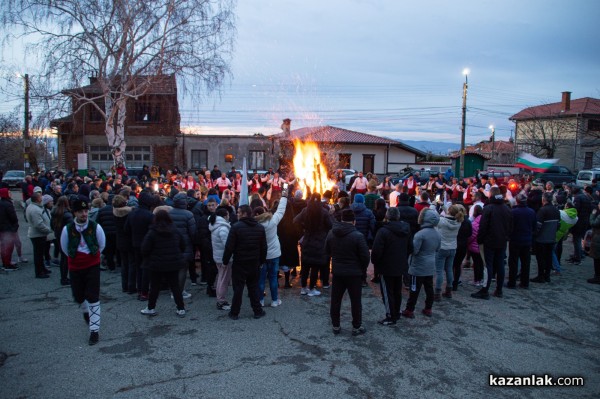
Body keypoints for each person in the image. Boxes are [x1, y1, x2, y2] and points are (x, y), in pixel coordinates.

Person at [60, 198, 106, 345]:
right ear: (75, 213)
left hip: (92, 264)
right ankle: (86, 310)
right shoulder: (67, 229)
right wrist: (76, 257)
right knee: (79, 296)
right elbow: (64, 248)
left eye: (86, 211)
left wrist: (92, 256)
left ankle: (94, 331)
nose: (84, 214)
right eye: (81, 212)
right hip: (75, 266)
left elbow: (101, 244)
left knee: (93, 296)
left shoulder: (95, 227)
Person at [326, 209, 370, 335]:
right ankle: (356, 326)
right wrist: (362, 270)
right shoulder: (358, 236)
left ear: (341, 219)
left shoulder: (331, 233)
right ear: (354, 221)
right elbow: (365, 256)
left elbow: (327, 250)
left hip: (338, 272)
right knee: (356, 301)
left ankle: (335, 326)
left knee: (335, 300)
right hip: (354, 273)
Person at [222, 205, 267, 320]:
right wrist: (261, 261)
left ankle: (234, 313)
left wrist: (225, 261)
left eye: (238, 212)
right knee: (253, 287)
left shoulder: (236, 227)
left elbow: (229, 247)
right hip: (254, 263)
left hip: (240, 263)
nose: (237, 214)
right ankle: (257, 311)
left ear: (244, 213)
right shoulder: (259, 228)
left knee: (238, 289)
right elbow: (264, 248)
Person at [140, 210, 186, 318]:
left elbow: (144, 248)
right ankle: (181, 308)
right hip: (173, 262)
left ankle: (151, 308)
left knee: (155, 287)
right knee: (175, 286)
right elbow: (183, 244)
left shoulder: (152, 232)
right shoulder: (175, 230)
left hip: (156, 263)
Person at [370, 207, 412, 326]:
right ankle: (396, 312)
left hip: (386, 266)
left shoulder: (383, 231)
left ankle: (390, 316)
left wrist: (375, 262)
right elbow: (410, 247)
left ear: (387, 216)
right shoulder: (406, 229)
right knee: (396, 290)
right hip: (400, 265)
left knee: (387, 293)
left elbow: (377, 250)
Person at [471, 187, 513, 299]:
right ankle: (499, 290)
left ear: (490, 195)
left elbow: (483, 226)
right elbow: (510, 226)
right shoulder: (507, 208)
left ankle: (485, 290)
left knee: (488, 265)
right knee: (500, 265)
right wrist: (506, 237)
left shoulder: (489, 208)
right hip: (502, 241)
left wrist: (480, 239)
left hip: (490, 241)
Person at [402, 209, 441, 318]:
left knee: (414, 289)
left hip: (418, 266)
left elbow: (415, 250)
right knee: (429, 288)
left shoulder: (420, 234)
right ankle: (428, 308)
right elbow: (438, 248)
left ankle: (409, 310)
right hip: (430, 264)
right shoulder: (437, 234)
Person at [294, 193, 333, 295]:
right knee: (315, 265)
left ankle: (303, 288)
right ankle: (311, 288)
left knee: (306, 265)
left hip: (307, 240)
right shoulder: (324, 212)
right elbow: (330, 225)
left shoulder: (305, 211)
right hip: (319, 242)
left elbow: (295, 220)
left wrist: (303, 231)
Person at [254, 191, 288, 307]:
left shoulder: (254, 225)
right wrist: (284, 195)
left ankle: (260, 301)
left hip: (261, 256)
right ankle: (274, 300)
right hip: (274, 255)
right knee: (273, 278)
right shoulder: (272, 221)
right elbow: (281, 210)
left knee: (261, 279)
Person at [434, 204, 464, 300]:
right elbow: (451, 213)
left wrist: (434, 205)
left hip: (442, 248)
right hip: (452, 248)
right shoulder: (458, 222)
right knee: (449, 269)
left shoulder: (442, 221)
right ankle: (449, 290)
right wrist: (443, 206)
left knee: (439, 271)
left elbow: (435, 215)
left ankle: (437, 292)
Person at [507, 194, 536, 289]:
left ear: (517, 201)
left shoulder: (513, 212)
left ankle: (512, 282)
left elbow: (510, 226)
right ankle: (525, 282)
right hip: (527, 240)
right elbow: (534, 226)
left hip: (515, 240)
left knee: (513, 262)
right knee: (526, 262)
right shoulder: (531, 212)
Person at [531, 192, 560, 284]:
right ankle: (547, 276)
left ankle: (540, 276)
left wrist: (534, 235)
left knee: (540, 258)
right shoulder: (556, 210)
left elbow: (538, 226)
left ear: (543, 200)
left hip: (541, 239)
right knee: (548, 257)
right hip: (551, 238)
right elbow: (558, 225)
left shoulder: (542, 210)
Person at [209, 208, 232, 310]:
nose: (229, 216)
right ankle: (221, 301)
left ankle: (220, 300)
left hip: (218, 257)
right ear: (224, 216)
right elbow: (227, 245)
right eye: (228, 214)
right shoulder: (223, 228)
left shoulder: (215, 225)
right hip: (224, 258)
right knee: (223, 280)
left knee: (220, 278)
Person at [26, 192, 53, 279]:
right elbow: (38, 224)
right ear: (37, 199)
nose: (42, 198)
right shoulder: (35, 210)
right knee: (38, 254)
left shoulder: (34, 207)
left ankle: (43, 269)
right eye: (41, 197)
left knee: (40, 254)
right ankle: (39, 272)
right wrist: (48, 230)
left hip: (39, 234)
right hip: (38, 235)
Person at [112, 194, 135, 293]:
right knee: (131, 264)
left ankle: (124, 286)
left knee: (124, 264)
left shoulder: (113, 213)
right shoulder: (129, 213)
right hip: (129, 240)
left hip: (120, 240)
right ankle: (131, 286)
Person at [51, 196, 74, 285]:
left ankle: (63, 277)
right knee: (66, 258)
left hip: (58, 235)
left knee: (63, 257)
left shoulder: (54, 212)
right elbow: (71, 227)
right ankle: (64, 278)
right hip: (66, 236)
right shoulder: (67, 214)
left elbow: (52, 225)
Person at [0, 188, 19, 271]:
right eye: (9, 192)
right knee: (8, 247)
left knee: (4, 246)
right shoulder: (8, 204)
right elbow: (13, 217)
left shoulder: (1, 203)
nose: (10, 193)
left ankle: (6, 262)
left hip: (3, 228)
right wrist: (15, 226)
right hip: (8, 229)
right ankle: (7, 264)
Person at [588, 202, 600, 284]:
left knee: (597, 259)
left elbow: (593, 223)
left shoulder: (598, 216)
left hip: (598, 238)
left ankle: (597, 277)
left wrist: (592, 215)